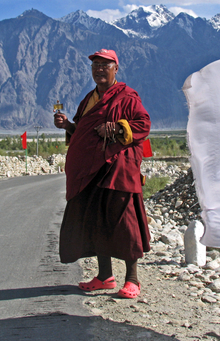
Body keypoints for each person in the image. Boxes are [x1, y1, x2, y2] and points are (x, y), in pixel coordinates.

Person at [53, 48, 151, 299]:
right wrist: (67, 125)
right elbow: (83, 134)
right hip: (91, 171)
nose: (99, 69)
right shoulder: (88, 100)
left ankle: (132, 279)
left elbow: (144, 124)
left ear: (115, 69)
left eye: (104, 65)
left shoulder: (127, 97)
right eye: (95, 65)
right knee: (96, 221)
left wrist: (118, 128)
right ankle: (105, 276)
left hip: (118, 168)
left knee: (124, 221)